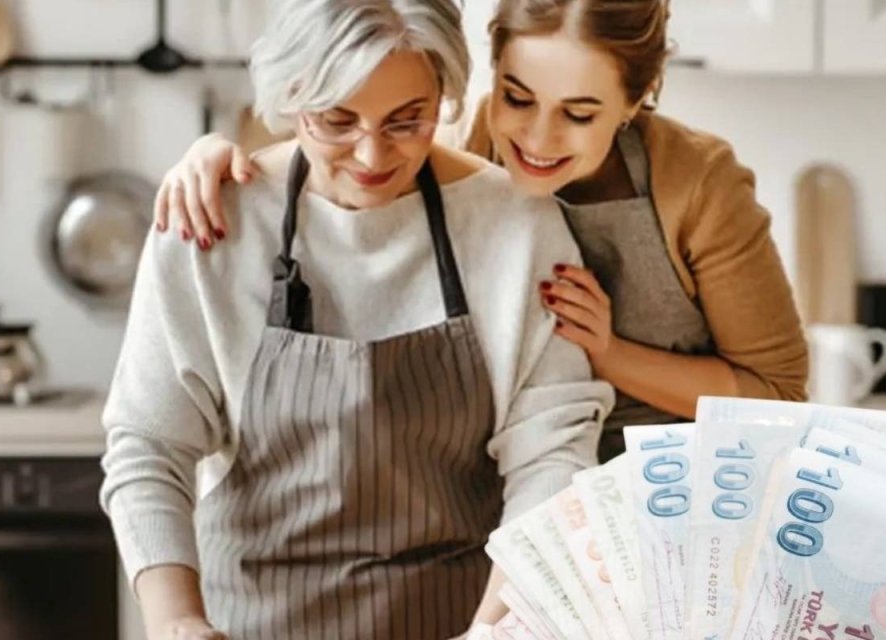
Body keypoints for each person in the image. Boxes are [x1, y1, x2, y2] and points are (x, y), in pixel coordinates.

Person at [99, 0, 613, 637]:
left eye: (407, 120)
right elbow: (149, 447)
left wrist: (493, 630)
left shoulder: (513, 225)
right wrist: (175, 621)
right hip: (251, 624)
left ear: (444, 95)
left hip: (461, 617)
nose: (372, 155)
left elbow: (552, 456)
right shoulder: (211, 220)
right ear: (291, 99)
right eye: (337, 120)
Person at [152, 0, 809, 461]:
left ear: (637, 101)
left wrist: (608, 354)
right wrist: (214, 158)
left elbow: (776, 394)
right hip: (515, 510)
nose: (537, 139)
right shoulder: (466, 153)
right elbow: (342, 153)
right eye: (516, 98)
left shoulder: (696, 182)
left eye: (580, 114)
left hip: (676, 501)